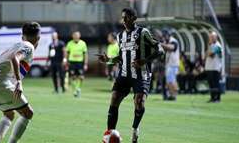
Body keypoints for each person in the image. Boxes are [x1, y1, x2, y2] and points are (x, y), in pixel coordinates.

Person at [98, 8, 164, 143]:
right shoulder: (119, 36)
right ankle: (109, 135)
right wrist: (108, 60)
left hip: (141, 74)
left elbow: (160, 50)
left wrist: (144, 61)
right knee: (114, 98)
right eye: (123, 18)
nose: (124, 21)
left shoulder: (143, 32)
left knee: (139, 102)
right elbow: (121, 57)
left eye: (127, 17)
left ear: (134, 18)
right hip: (124, 74)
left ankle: (135, 129)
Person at [0, 22, 41, 143]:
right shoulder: (29, 47)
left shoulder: (17, 44)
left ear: (22, 36)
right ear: (38, 38)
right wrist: (19, 81)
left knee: (9, 114)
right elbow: (15, 58)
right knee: (28, 113)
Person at [65, 31, 88, 98]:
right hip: (72, 62)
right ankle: (75, 90)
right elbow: (67, 53)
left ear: (79, 36)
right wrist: (66, 61)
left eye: (77, 35)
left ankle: (78, 88)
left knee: (81, 77)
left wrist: (85, 63)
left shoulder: (83, 43)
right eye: (74, 35)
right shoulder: (69, 43)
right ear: (72, 36)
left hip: (80, 62)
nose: (76, 36)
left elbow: (85, 54)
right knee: (73, 77)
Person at [161, 29, 180, 101]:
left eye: (165, 35)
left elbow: (171, 48)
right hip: (169, 64)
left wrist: (161, 44)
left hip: (173, 64)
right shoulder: (168, 41)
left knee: (172, 80)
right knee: (169, 81)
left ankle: (174, 95)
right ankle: (171, 95)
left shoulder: (173, 41)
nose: (164, 37)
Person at [205, 32, 222, 103]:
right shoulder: (211, 45)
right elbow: (207, 54)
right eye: (210, 37)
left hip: (215, 68)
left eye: (212, 37)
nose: (211, 38)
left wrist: (208, 52)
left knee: (216, 84)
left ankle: (217, 98)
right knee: (211, 84)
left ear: (216, 37)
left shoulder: (218, 46)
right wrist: (208, 52)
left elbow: (211, 55)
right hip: (209, 67)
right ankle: (212, 97)